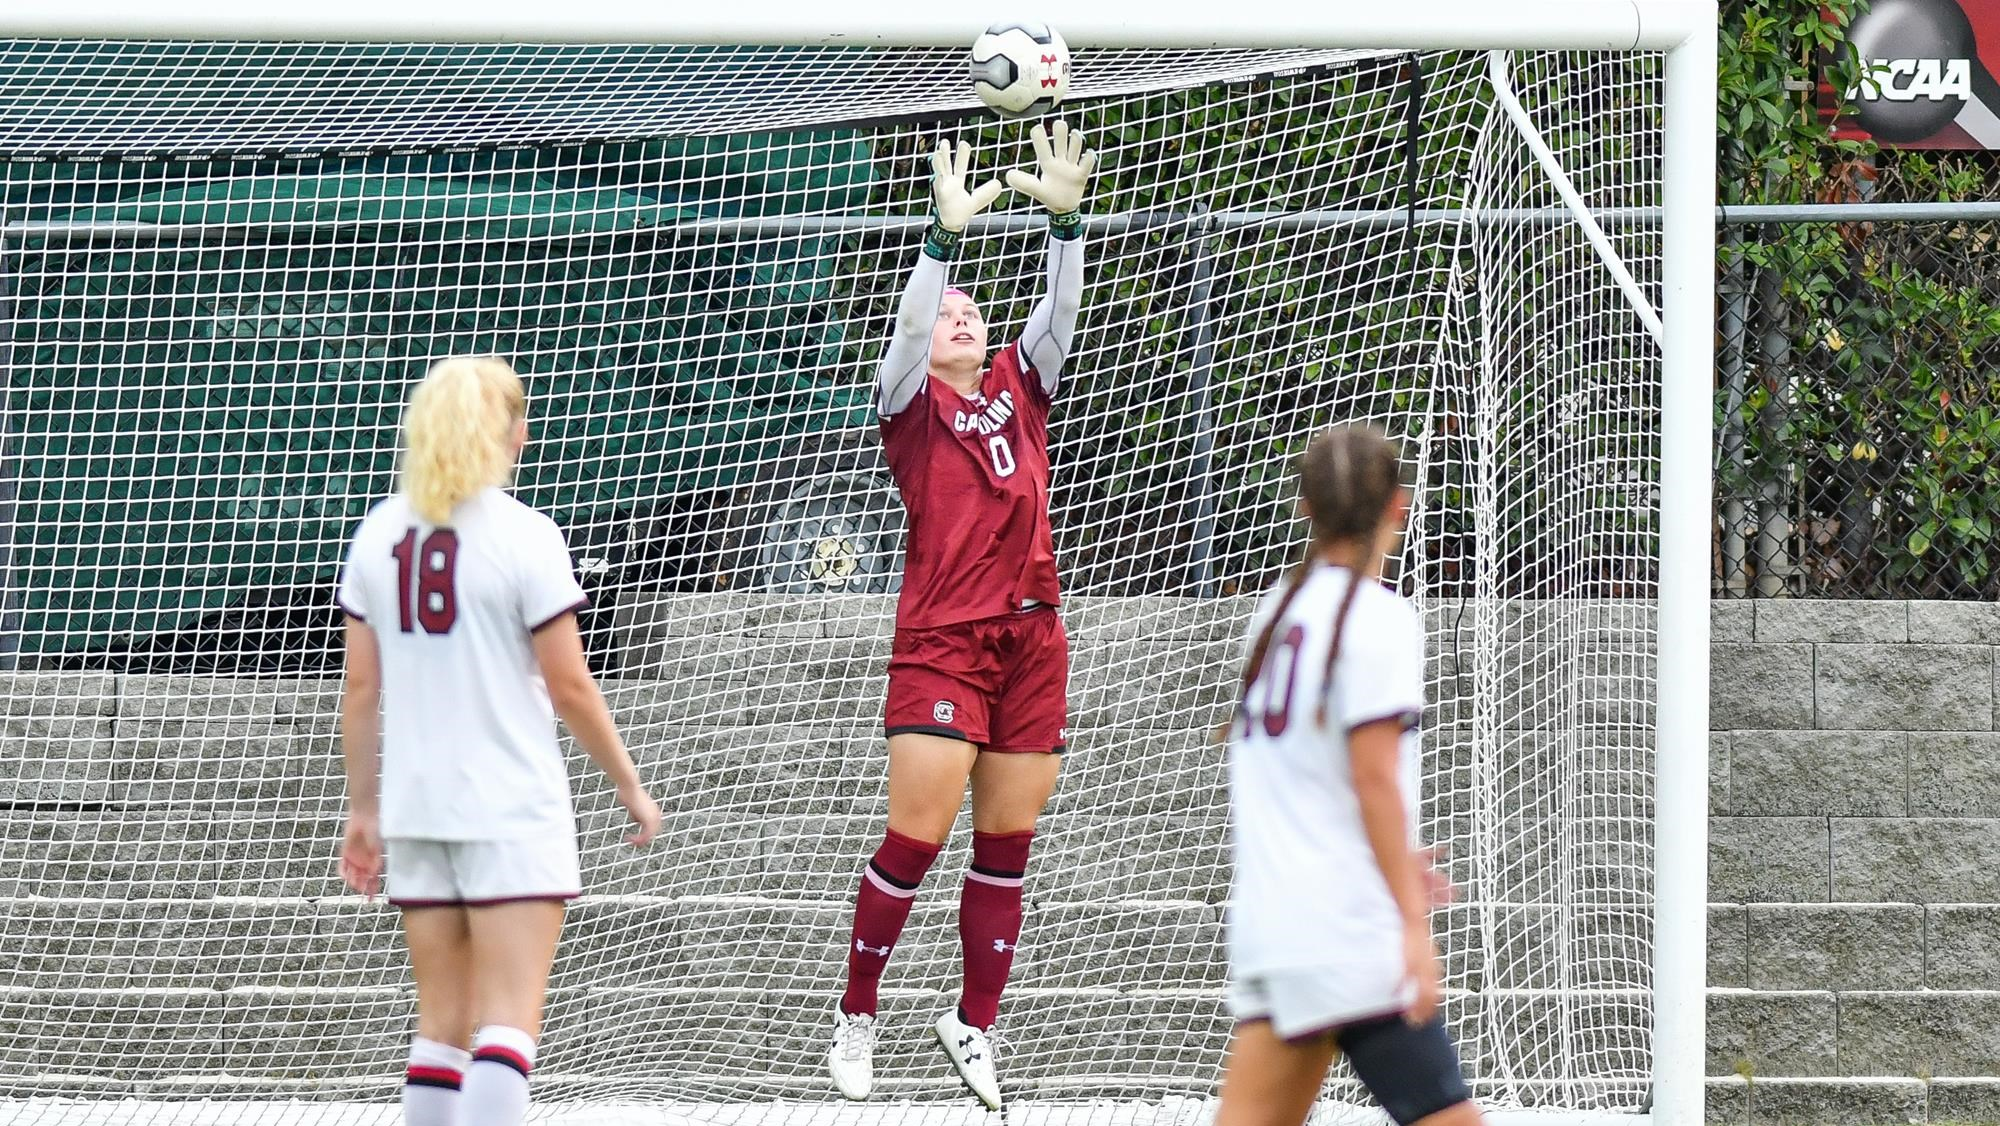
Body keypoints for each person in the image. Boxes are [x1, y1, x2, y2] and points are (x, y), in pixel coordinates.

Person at [826, 122, 1095, 1111]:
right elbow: (904, 332)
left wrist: (1064, 225)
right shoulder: (910, 403)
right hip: (942, 643)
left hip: (1033, 639)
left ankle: (973, 1025)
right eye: (950, 313)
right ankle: (858, 1012)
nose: (963, 317)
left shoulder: (1022, 389)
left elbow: (1058, 311)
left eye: (972, 307)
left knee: (1006, 842)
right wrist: (937, 249)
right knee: (917, 835)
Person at [335, 355, 662, 1126]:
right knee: (509, 1024)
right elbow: (572, 684)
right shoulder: (526, 536)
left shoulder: (379, 532)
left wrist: (362, 810)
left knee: (441, 1028)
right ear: (511, 431)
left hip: (418, 809)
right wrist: (627, 782)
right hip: (511, 805)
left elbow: (359, 690)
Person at [1216, 425, 1482, 1126]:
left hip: (1276, 932)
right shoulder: (1379, 619)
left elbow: (1319, 781)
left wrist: (1391, 859)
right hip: (1347, 936)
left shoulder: (1275, 614)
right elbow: (1372, 781)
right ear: (1400, 506)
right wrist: (1412, 923)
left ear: (1303, 508)